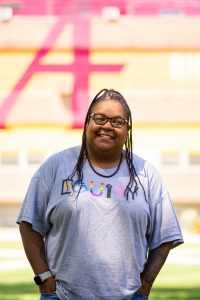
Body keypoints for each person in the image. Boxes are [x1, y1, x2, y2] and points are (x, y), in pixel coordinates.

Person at [17, 88, 184, 300]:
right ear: (87, 122)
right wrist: (44, 280)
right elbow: (29, 224)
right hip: (63, 296)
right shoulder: (56, 167)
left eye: (117, 121)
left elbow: (164, 236)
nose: (107, 126)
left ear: (127, 129)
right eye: (100, 118)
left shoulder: (146, 174)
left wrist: (146, 285)